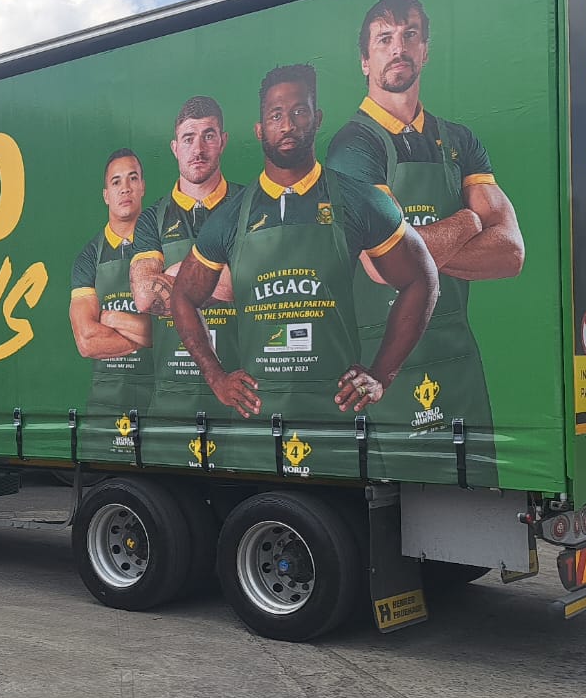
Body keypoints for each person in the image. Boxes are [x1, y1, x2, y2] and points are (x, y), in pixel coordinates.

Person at [170, 64, 437, 475]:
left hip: (338, 421)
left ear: (317, 118)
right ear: (259, 129)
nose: (287, 125)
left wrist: (381, 374)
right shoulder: (230, 217)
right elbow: (183, 296)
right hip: (258, 426)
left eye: (299, 111)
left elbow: (422, 279)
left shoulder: (359, 200)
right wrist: (216, 376)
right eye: (275, 115)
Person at [325, 0, 524, 486]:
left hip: (460, 359)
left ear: (425, 49)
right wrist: (470, 221)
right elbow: (382, 266)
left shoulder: (459, 140)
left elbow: (511, 253)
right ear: (365, 59)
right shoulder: (353, 146)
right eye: (384, 39)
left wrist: (416, 251)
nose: (399, 47)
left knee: (482, 490)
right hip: (390, 362)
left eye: (409, 35)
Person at [129, 96, 242, 426]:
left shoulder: (249, 204)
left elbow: (255, 280)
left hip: (242, 389)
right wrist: (223, 277)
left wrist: (177, 273)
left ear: (223, 141)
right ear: (175, 147)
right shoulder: (153, 218)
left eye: (209, 135)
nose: (198, 149)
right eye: (189, 138)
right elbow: (145, 296)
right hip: (172, 397)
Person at [69, 148, 154, 422]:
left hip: (158, 403)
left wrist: (111, 318)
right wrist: (149, 336)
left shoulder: (161, 246)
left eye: (132, 178)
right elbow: (86, 340)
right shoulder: (89, 257)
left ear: (142, 187)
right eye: (116, 182)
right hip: (104, 409)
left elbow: (174, 331)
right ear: (106, 195)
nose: (125, 188)